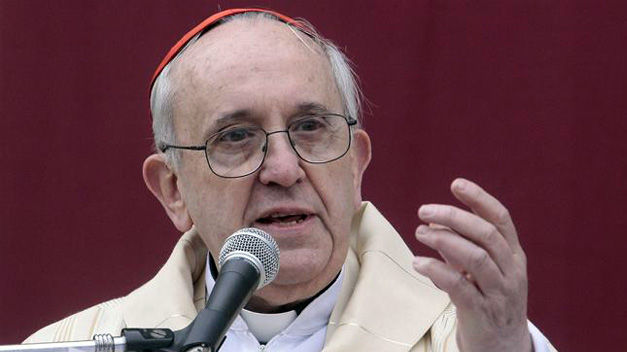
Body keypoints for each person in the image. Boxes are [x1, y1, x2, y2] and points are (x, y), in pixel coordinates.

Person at [25, 8, 557, 351]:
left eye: (310, 128)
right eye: (235, 137)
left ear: (355, 163)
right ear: (173, 189)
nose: (282, 170)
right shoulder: (75, 347)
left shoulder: (473, 343)